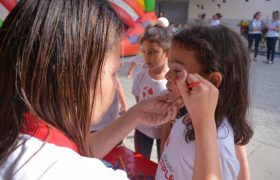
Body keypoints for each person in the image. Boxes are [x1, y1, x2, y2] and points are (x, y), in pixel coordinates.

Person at [0, 0, 222, 179]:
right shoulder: (77, 173)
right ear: (77, 74)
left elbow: (76, 151)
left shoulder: (17, 134)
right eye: (114, 72)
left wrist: (135, 114)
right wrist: (205, 124)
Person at [156, 25, 253, 180]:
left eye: (177, 70)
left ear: (213, 80)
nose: (167, 76)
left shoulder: (219, 151)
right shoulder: (187, 116)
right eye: (169, 67)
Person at [132, 21, 173, 161]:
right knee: (141, 161)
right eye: (144, 52)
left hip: (165, 132)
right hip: (142, 130)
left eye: (153, 52)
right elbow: (139, 104)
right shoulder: (140, 78)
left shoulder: (173, 81)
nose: (147, 57)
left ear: (167, 52)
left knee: (164, 161)